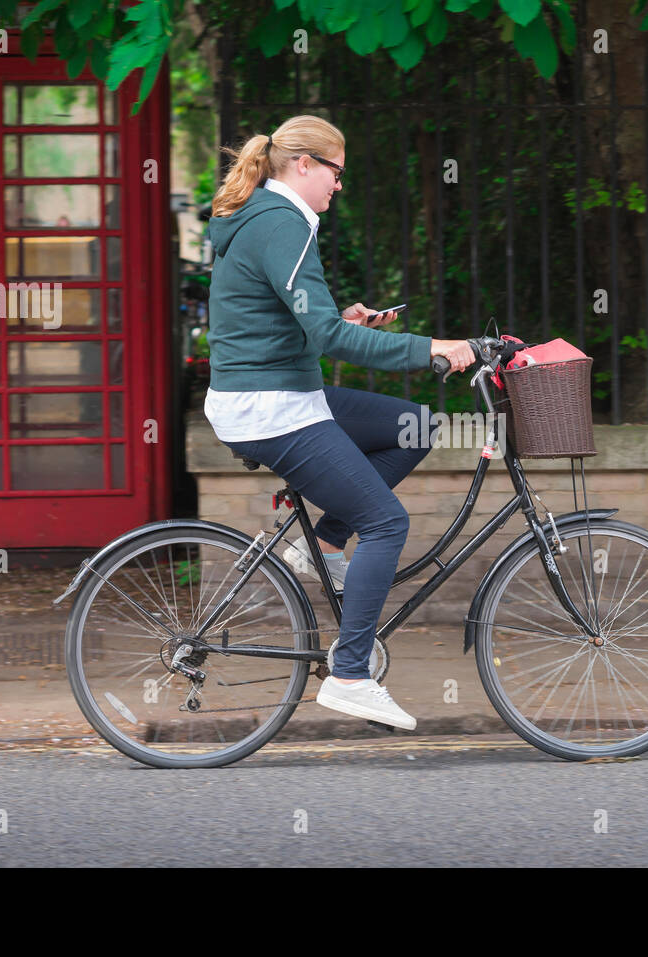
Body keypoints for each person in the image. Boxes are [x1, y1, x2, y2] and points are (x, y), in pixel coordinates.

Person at [204, 114, 475, 731]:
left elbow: (299, 321)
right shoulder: (283, 224)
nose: (339, 184)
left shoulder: (271, 219)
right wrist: (434, 346)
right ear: (304, 165)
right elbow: (324, 337)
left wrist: (346, 320)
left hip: (280, 391)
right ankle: (352, 675)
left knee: (415, 426)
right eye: (336, 171)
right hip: (270, 406)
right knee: (386, 522)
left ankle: (320, 547)